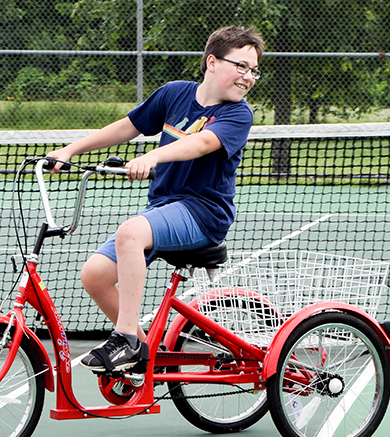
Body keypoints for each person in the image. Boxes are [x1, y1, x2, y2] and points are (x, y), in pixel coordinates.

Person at [45, 26, 264, 373]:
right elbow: (128, 126)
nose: (248, 77)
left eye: (253, 70)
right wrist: (71, 149)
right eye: (241, 66)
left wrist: (153, 157)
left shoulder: (238, 114)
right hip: (163, 210)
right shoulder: (174, 94)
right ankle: (147, 355)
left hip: (203, 213)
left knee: (130, 233)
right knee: (95, 275)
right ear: (212, 61)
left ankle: (127, 339)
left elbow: (202, 143)